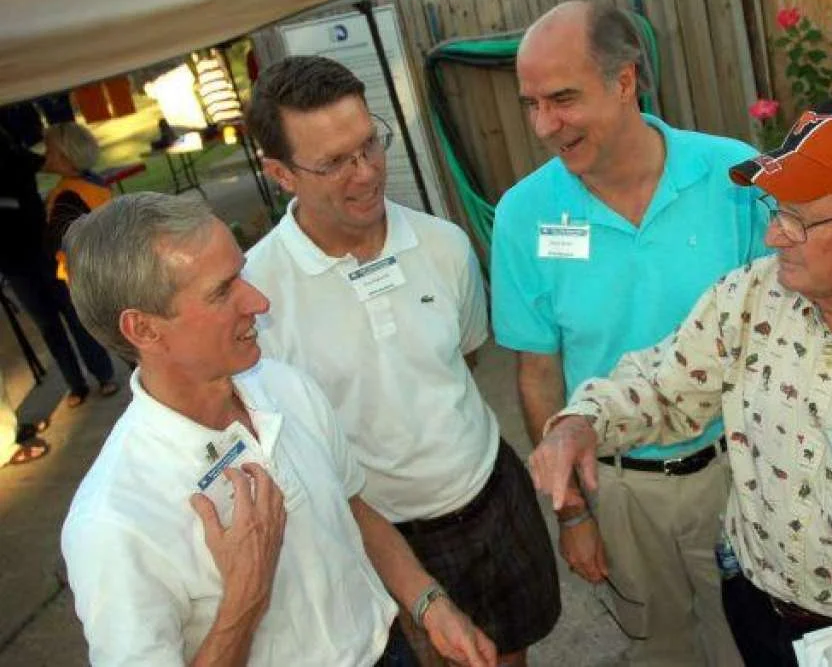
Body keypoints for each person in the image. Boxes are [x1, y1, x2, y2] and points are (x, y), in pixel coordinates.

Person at [528, 97, 832, 667]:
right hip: (755, 608)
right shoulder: (751, 298)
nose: (773, 237)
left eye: (800, 219)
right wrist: (583, 422)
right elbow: (663, 386)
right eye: (775, 209)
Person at [59, 192, 497, 667]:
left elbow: (351, 507)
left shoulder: (282, 383)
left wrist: (429, 603)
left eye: (242, 272)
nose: (259, 300)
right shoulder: (112, 523)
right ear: (143, 330)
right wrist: (245, 598)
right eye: (222, 291)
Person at [243, 56, 559, 666]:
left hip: (490, 495)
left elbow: (462, 362)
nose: (364, 175)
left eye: (369, 146)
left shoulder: (444, 244)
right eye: (334, 162)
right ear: (280, 173)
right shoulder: (256, 294)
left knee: (510, 656)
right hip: (384, 538)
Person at [490, 2, 768, 665]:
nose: (543, 125)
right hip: (617, 487)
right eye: (531, 103)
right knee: (658, 649)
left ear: (626, 80)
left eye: (562, 98)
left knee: (753, 644)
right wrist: (574, 513)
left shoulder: (735, 176)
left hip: (739, 470)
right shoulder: (523, 214)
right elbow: (537, 371)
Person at [0, 125, 117, 408]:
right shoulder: (70, 188)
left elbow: (65, 236)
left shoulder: (68, 191)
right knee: (48, 324)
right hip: (16, 261)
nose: (44, 154)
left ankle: (102, 374)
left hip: (51, 262)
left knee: (76, 317)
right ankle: (75, 383)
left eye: (51, 150)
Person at [42, 121, 113, 281]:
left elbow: (53, 245)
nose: (44, 156)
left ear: (66, 157)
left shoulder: (68, 196)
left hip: (84, 275)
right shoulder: (92, 180)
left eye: (49, 151)